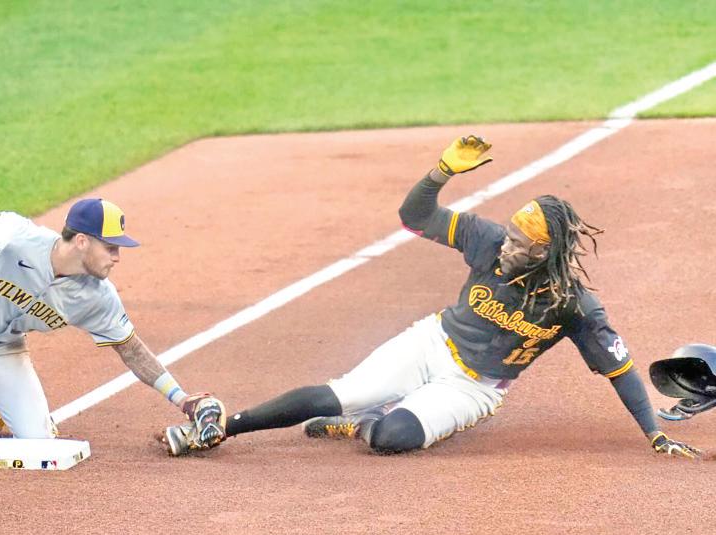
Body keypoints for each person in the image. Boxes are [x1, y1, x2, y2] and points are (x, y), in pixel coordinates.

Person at [162, 135, 699, 459]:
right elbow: (414, 217)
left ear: (543, 253)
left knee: (390, 438)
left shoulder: (574, 306)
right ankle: (224, 428)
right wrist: (441, 173)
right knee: (342, 391)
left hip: (475, 387)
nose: (506, 245)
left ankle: (365, 423)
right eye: (509, 235)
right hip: (431, 343)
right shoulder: (487, 240)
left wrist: (654, 434)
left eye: (519, 243)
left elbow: (619, 370)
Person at [0, 198, 224, 440]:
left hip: (2, 351)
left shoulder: (97, 296)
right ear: (82, 241)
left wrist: (181, 399)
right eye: (111, 247)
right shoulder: (16, 236)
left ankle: (1, 411)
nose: (117, 256)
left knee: (39, 442)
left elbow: (131, 349)